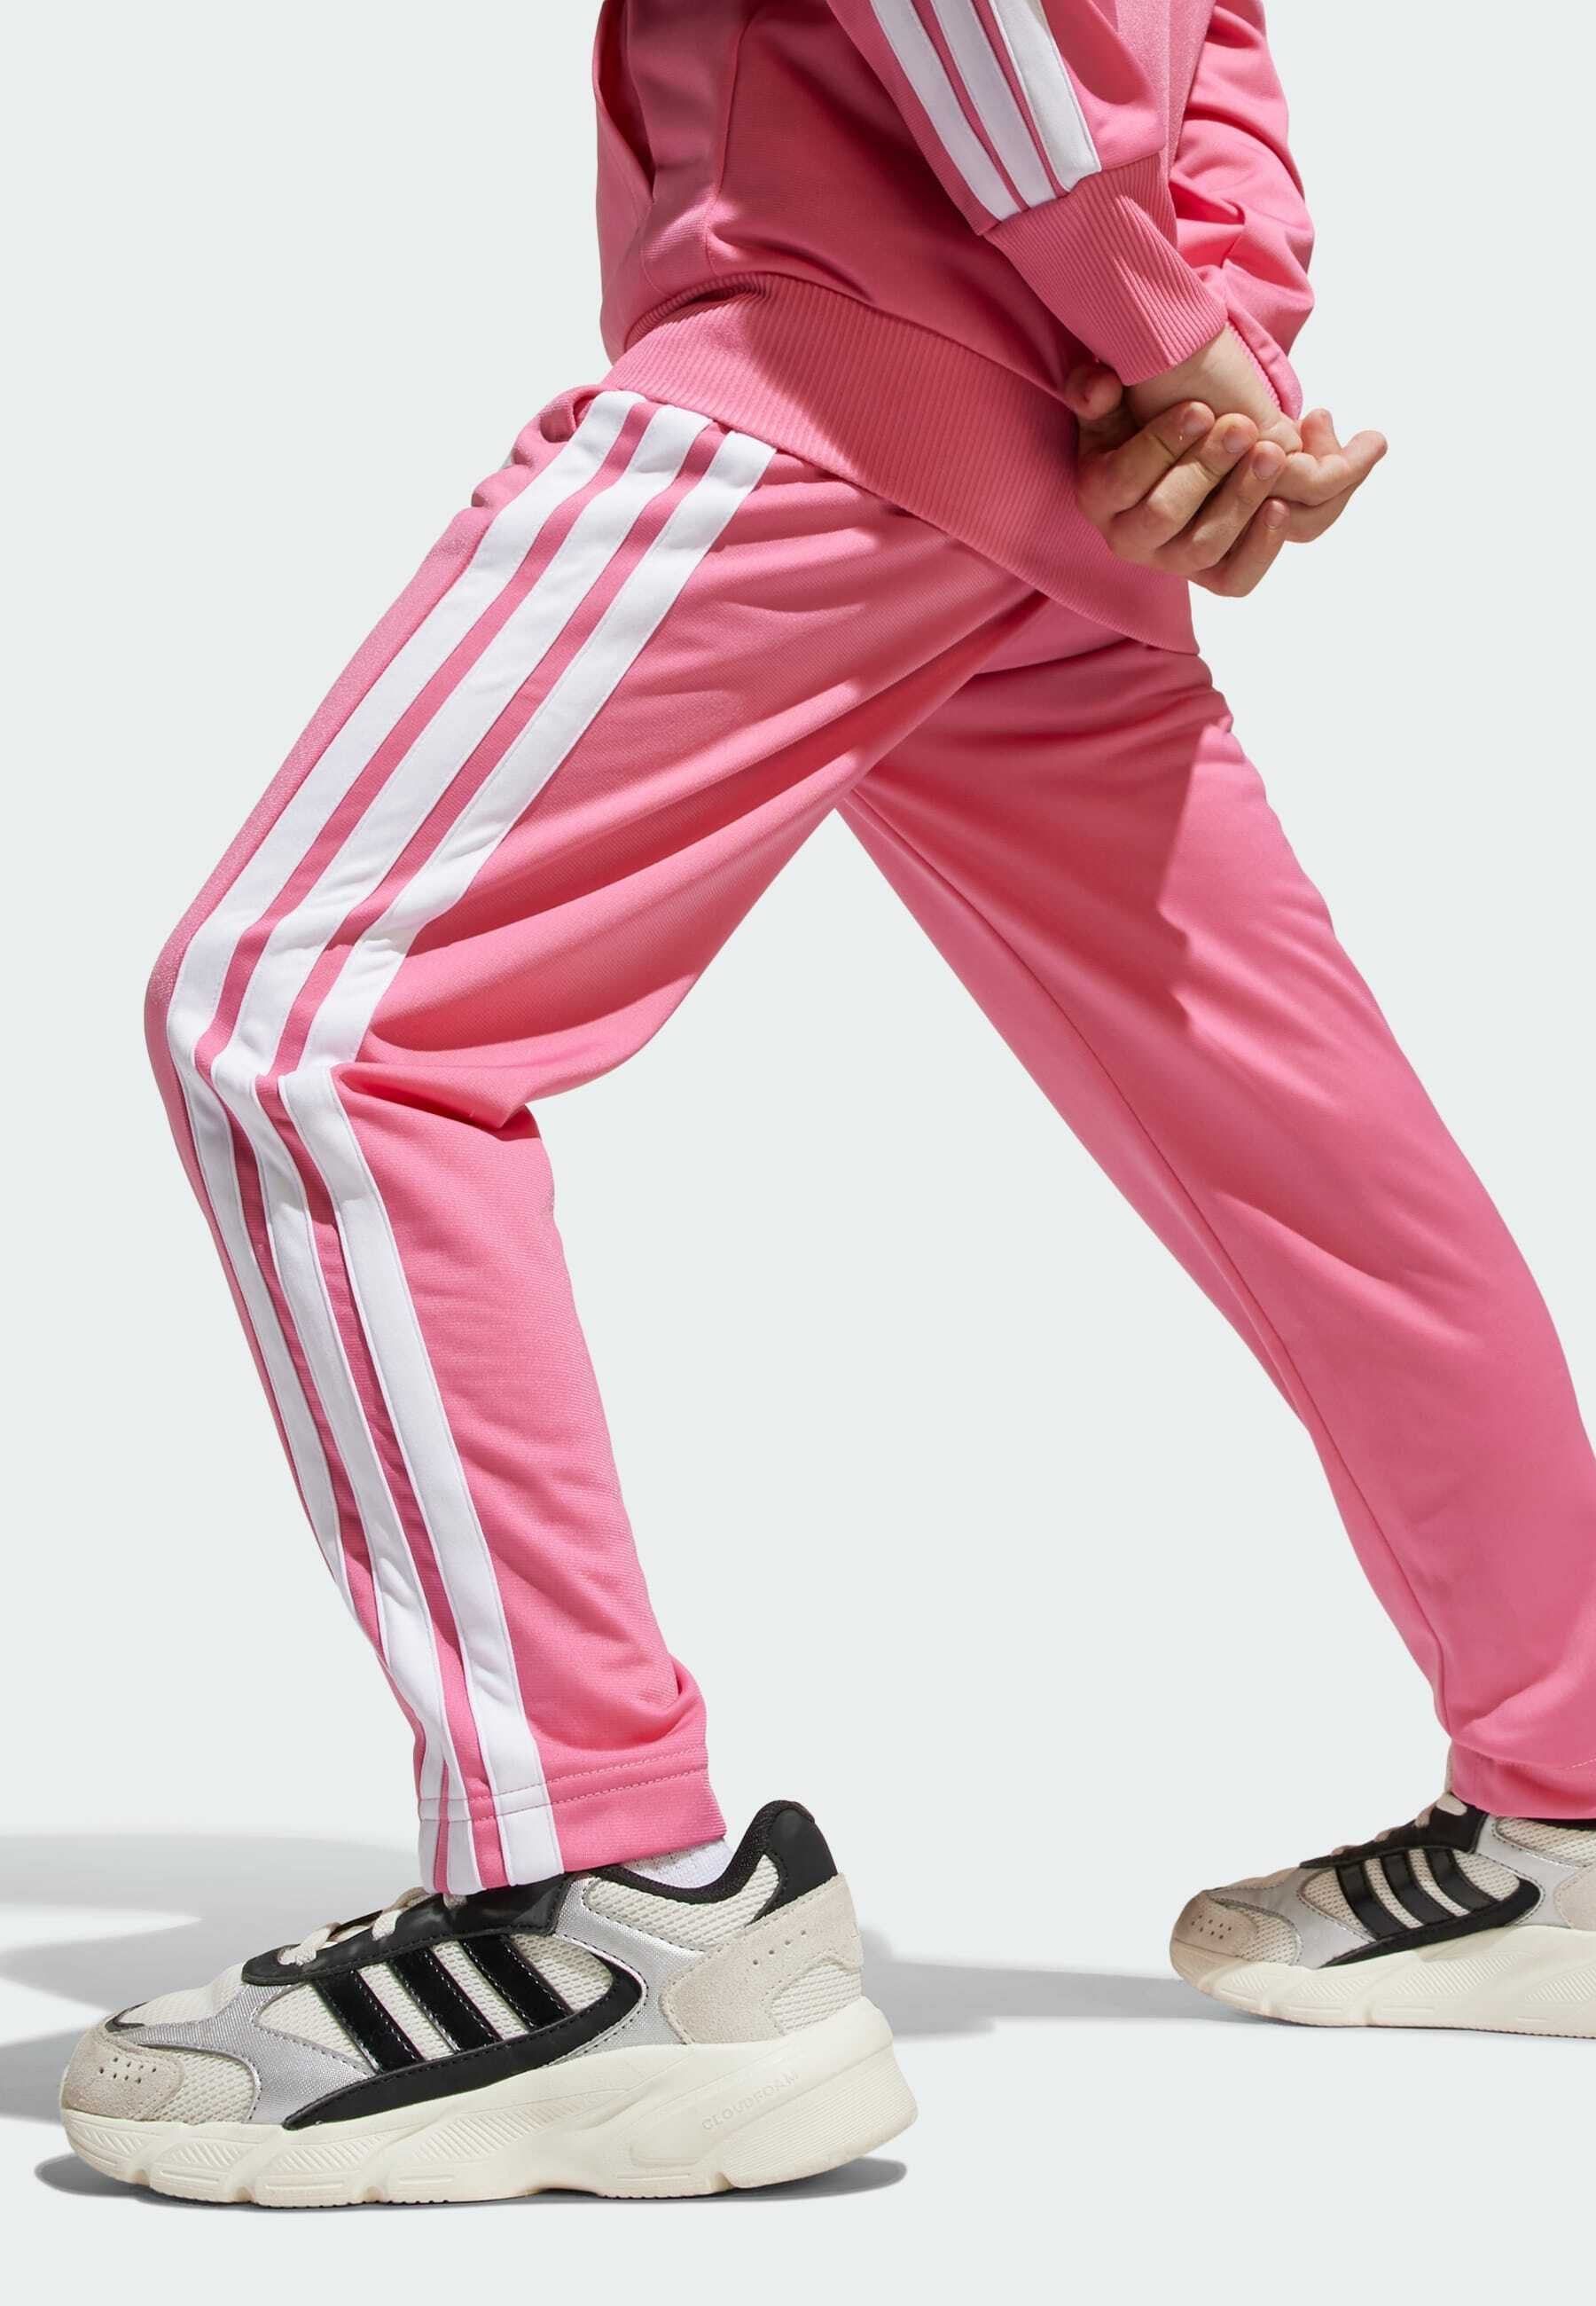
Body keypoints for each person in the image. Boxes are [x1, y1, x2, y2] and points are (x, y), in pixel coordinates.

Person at [60, 0, 1594, 2205]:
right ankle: (1579, 1782)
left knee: (304, 1020)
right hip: (1047, 428)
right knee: (1296, 1141)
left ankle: (606, 1902)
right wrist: (1212, 323)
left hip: (835, 360)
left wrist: (1165, 331)